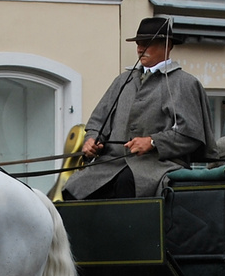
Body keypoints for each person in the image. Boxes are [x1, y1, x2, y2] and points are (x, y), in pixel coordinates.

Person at [62, 17, 214, 200]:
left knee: (126, 183)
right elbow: (97, 121)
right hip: (110, 164)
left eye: (146, 44)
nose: (140, 49)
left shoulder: (184, 83)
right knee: (73, 188)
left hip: (157, 165)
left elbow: (190, 135)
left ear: (167, 45)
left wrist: (153, 142)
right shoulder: (123, 80)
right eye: (138, 44)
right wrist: (92, 140)